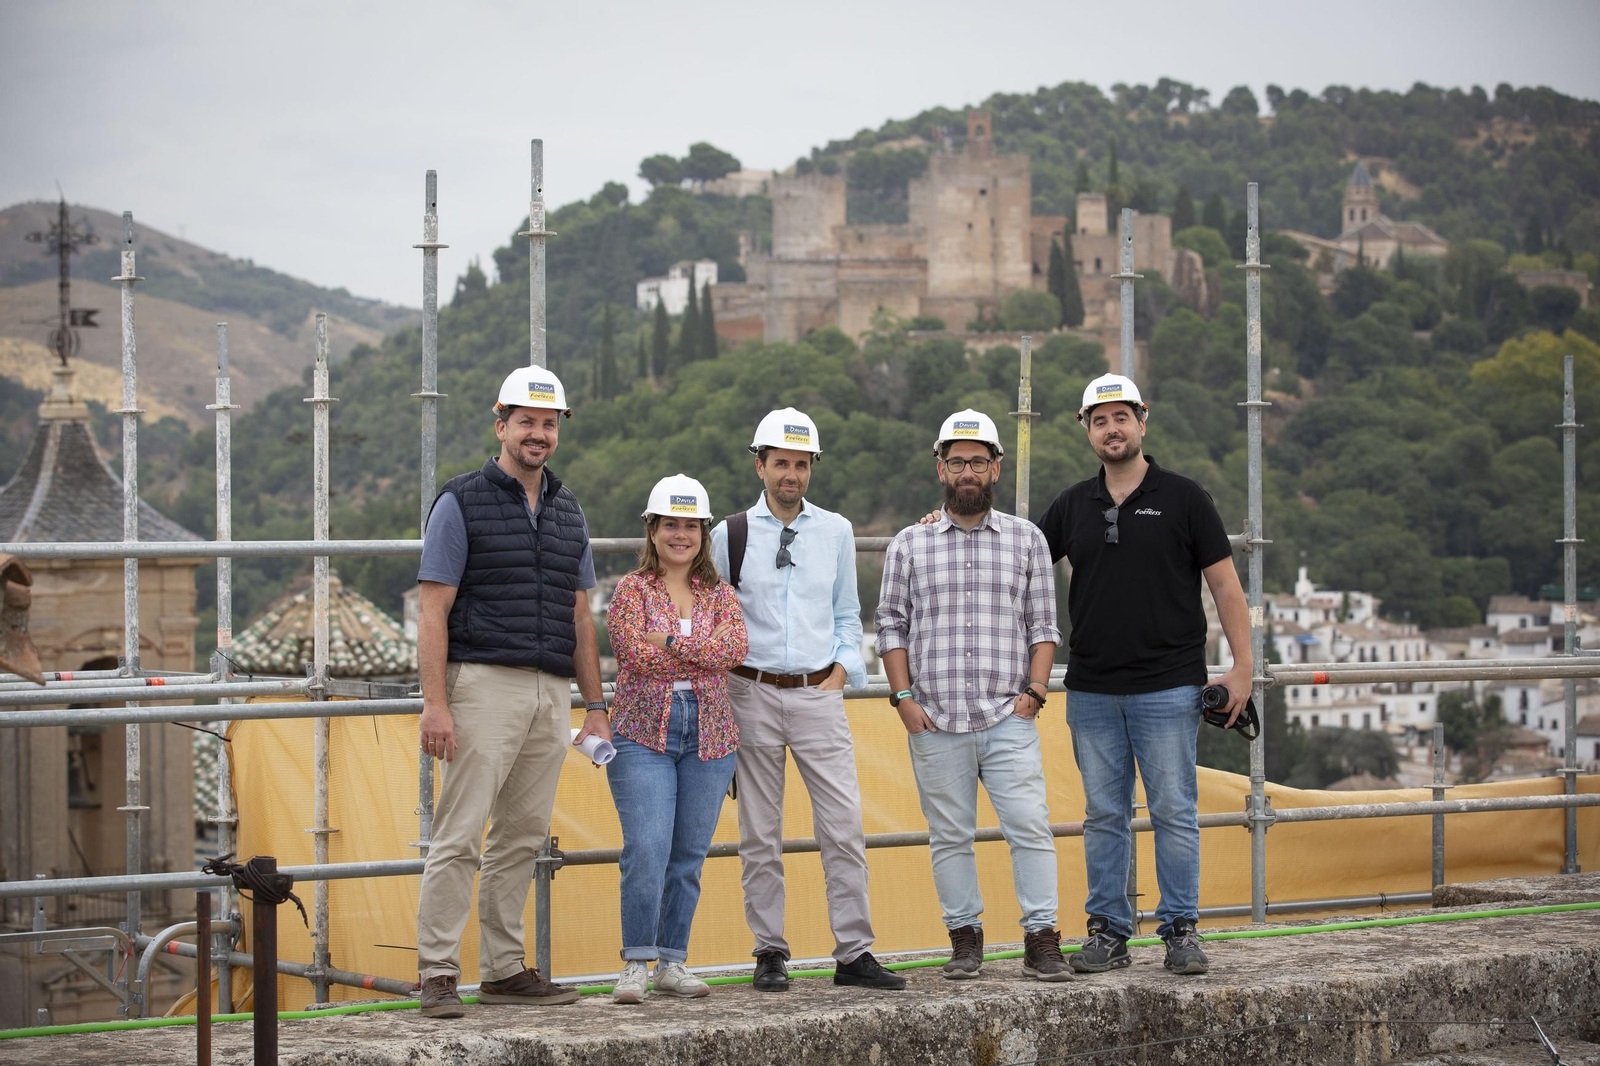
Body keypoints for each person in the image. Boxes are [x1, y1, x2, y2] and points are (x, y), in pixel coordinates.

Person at [1036, 373, 1254, 977]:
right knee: (1103, 815)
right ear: (1086, 429)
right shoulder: (1071, 505)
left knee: (1174, 811)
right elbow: (1015, 556)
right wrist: (942, 521)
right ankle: (1108, 931)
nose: (1112, 429)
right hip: (1092, 689)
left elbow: (1226, 587)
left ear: (1142, 420)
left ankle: (1180, 930)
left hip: (1169, 685)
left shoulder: (1185, 497)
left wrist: (1243, 668)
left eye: (1121, 417)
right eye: (1099, 420)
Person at [413, 367, 609, 1018]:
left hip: (550, 691)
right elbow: (433, 609)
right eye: (526, 421)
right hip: (482, 684)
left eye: (549, 424)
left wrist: (595, 706)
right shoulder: (460, 500)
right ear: (501, 426)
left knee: (522, 836)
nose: (538, 434)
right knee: (460, 833)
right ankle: (438, 973)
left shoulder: (568, 509)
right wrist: (436, 703)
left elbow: (580, 616)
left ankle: (502, 969)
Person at [711, 408, 907, 994]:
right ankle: (769, 950)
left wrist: (842, 671)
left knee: (843, 826)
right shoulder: (728, 534)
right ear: (760, 466)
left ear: (811, 467)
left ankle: (854, 952)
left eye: (801, 464)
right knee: (759, 832)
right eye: (781, 463)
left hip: (818, 691)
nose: (791, 474)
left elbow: (848, 612)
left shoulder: (837, 531)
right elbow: (716, 616)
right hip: (749, 690)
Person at [875, 409, 1071, 983]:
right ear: (940, 467)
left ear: (996, 468)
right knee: (949, 837)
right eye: (957, 461)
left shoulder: (1027, 540)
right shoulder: (908, 544)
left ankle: (1042, 939)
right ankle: (965, 941)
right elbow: (890, 625)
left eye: (978, 462)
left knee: (1029, 826)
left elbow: (1043, 625)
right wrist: (903, 698)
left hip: (1009, 713)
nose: (967, 472)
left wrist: (1036, 690)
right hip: (934, 718)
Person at [606, 474, 748, 1004]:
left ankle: (672, 962)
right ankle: (636, 963)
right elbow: (632, 654)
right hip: (642, 733)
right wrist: (701, 650)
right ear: (653, 529)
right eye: (671, 524)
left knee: (688, 854)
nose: (681, 535)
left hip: (710, 735)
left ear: (704, 533)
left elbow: (735, 650)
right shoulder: (631, 590)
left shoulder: (720, 593)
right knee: (646, 847)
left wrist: (666, 639)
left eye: (691, 526)